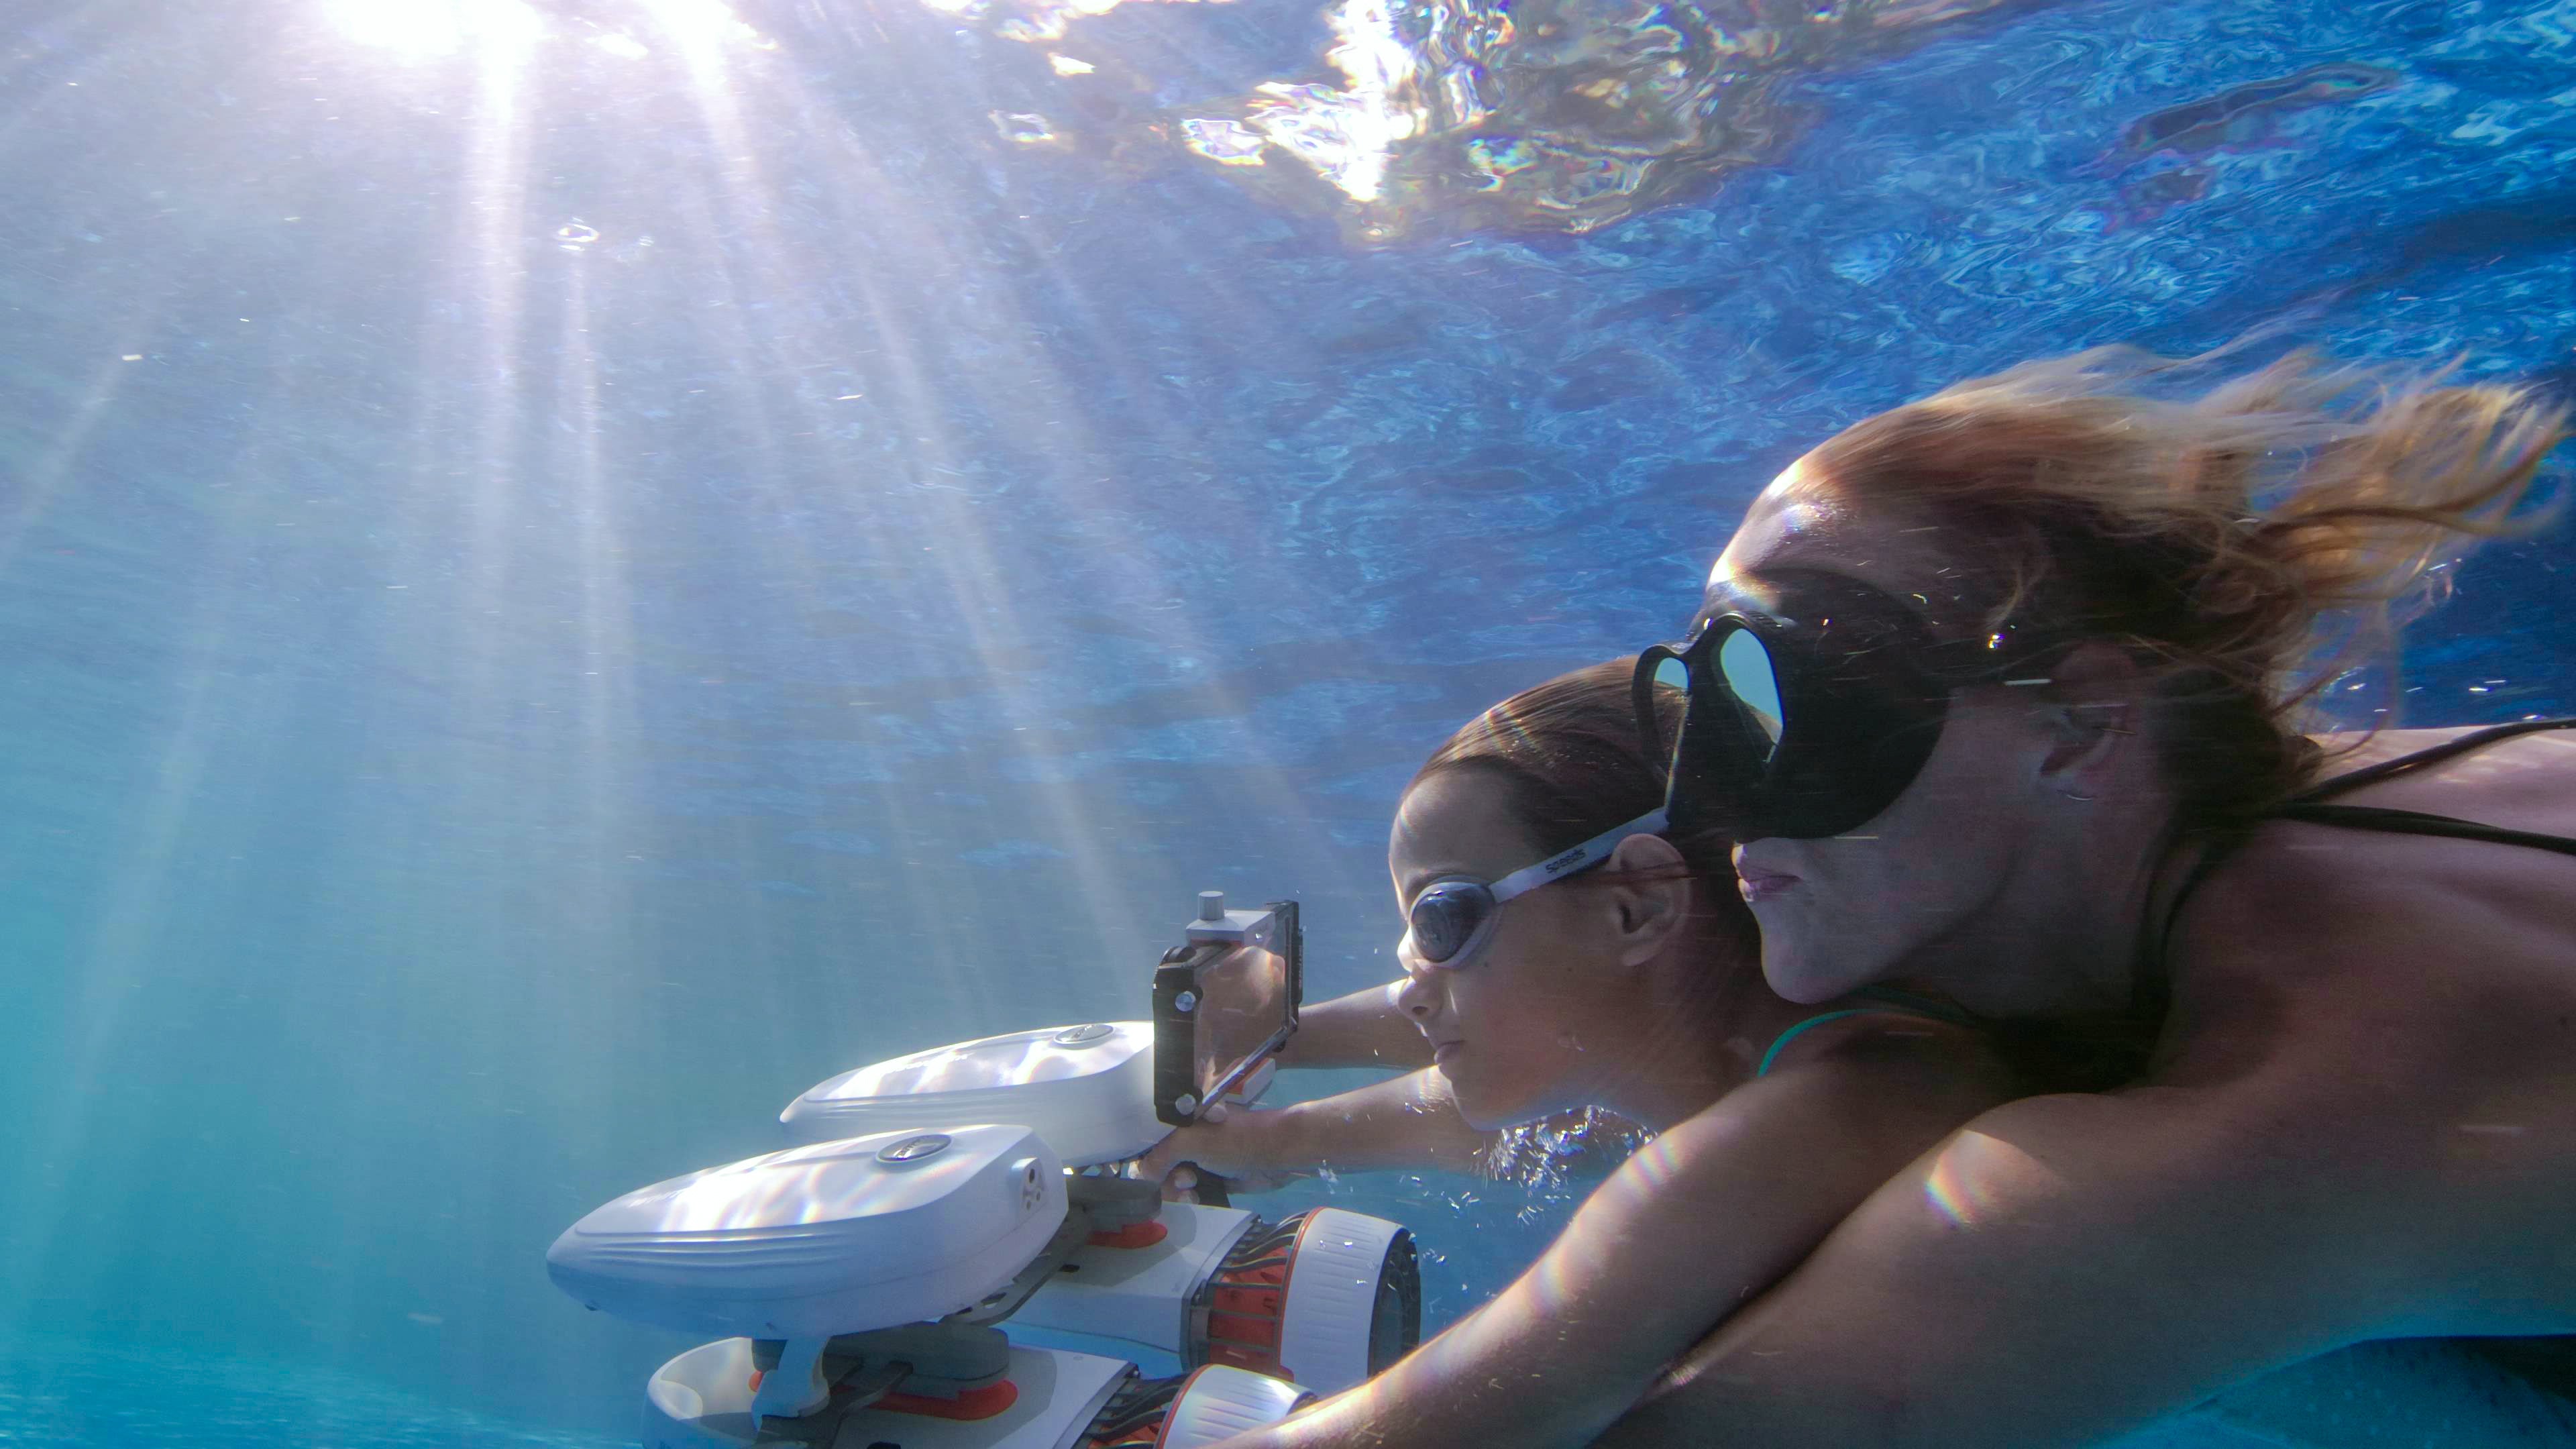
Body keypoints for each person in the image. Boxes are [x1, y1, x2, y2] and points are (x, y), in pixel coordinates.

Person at [1594, 345, 2574, 1446]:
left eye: (1795, 694)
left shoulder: (2280, 1106)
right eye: (1701, 703)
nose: (1701, 801)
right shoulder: (2302, 777)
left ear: (2085, 724)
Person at [1144, 661, 2021, 1448]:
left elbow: (1456, 1418)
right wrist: (1272, 1106)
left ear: (1637, 905)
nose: (1412, 983)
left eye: (1442, 922)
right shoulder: (1761, 1044)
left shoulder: (1807, 1125)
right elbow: (1511, 1088)